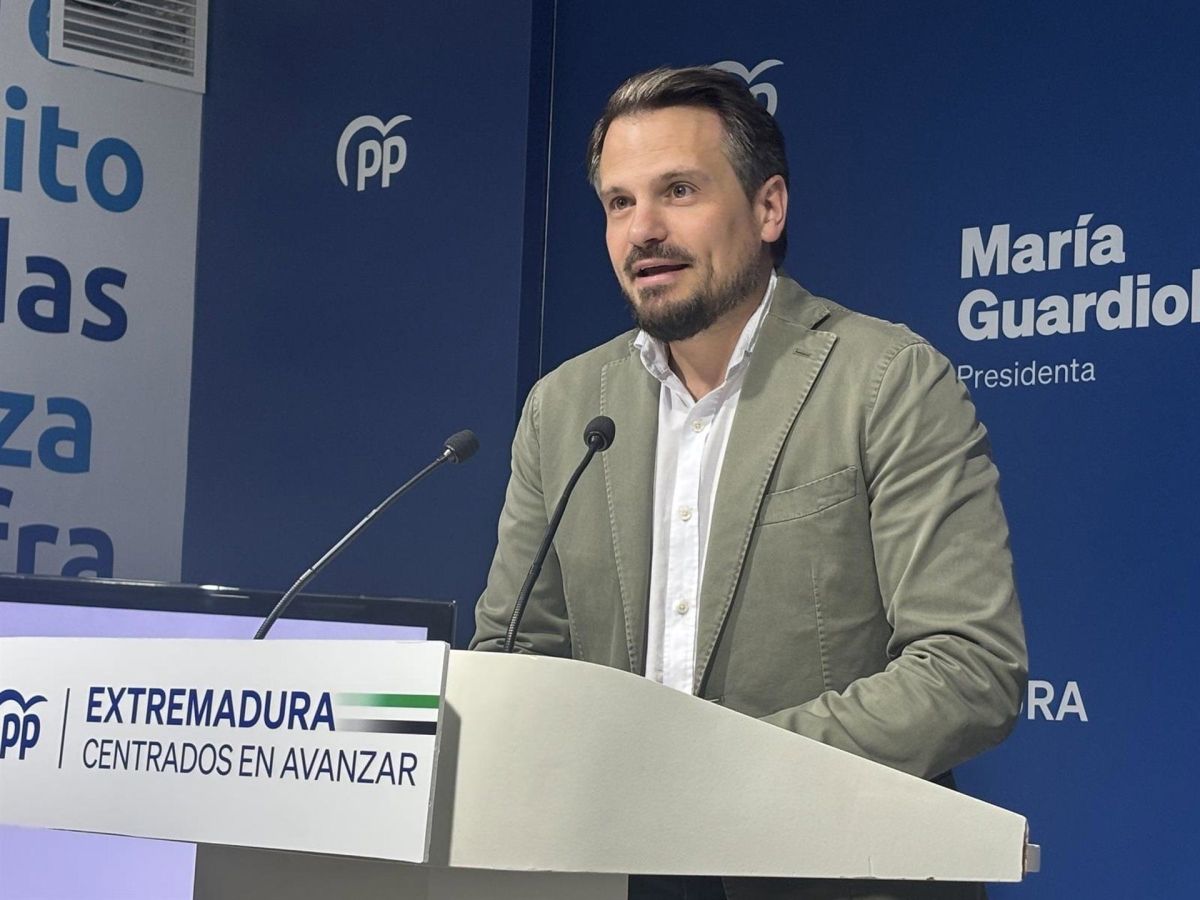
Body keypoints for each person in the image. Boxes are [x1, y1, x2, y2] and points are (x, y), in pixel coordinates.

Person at [471, 66, 1027, 900]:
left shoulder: (886, 381)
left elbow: (968, 669)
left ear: (769, 208)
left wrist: (717, 772)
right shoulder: (565, 409)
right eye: (619, 203)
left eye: (678, 191)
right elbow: (515, 658)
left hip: (835, 875)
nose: (642, 230)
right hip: (610, 873)